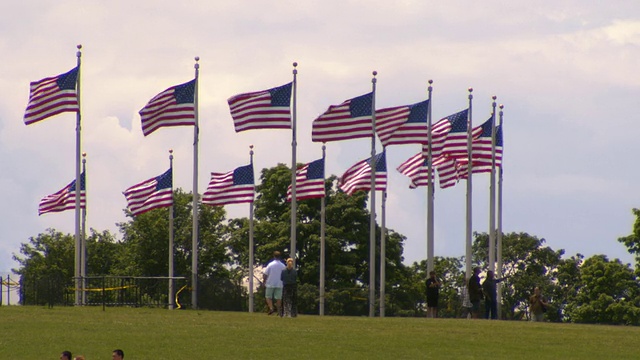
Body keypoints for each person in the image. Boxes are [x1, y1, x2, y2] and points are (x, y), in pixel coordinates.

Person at [263, 251, 286, 316]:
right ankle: (279, 310)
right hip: (279, 283)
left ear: (274, 256)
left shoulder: (270, 264)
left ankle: (271, 308)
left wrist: (264, 281)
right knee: (278, 298)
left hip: (270, 283)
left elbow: (265, 274)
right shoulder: (283, 265)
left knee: (268, 297)